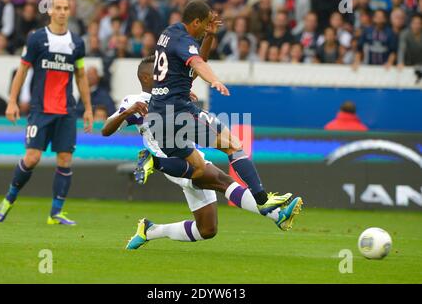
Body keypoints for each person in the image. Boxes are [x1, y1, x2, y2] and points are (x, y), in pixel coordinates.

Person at [101, 56, 302, 250]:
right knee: (221, 180)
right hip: (173, 162)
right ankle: (275, 215)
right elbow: (106, 130)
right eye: (158, 73)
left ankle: (150, 231)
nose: (164, 76)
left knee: (207, 229)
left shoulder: (170, 96)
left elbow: (197, 63)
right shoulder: (135, 101)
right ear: (146, 78)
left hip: (192, 156)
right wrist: (127, 112)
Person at [140, 0, 300, 218]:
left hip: (157, 115)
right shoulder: (183, 40)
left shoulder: (169, 33)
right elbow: (198, 64)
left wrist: (210, 36)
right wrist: (214, 80)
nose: (206, 27)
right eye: (205, 24)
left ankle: (154, 161)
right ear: (195, 21)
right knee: (233, 145)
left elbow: (193, 62)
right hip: (179, 112)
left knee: (197, 169)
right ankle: (262, 200)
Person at [0, 0, 94, 225]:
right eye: (57, 8)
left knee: (65, 159)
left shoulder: (77, 42)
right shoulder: (37, 38)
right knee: (32, 158)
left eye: (65, 8)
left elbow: (80, 76)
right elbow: (22, 70)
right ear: (50, 11)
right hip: (41, 109)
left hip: (66, 110)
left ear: (70, 11)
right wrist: (12, 100)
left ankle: (55, 213)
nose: (61, 12)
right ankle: (9, 198)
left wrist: (87, 108)